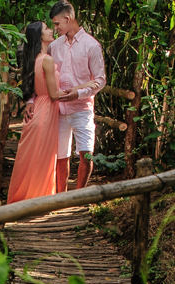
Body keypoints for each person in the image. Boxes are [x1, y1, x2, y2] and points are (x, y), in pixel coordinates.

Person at [48, 1, 105, 192]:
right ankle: (61, 198)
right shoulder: (54, 46)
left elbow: (100, 80)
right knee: (61, 156)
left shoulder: (92, 46)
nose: (55, 29)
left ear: (68, 18)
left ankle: (79, 196)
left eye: (57, 24)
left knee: (86, 154)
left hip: (82, 109)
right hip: (60, 110)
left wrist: (78, 93)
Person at [7, 21, 62, 204]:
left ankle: (26, 199)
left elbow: (34, 88)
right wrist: (81, 89)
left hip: (38, 107)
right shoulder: (47, 60)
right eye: (46, 29)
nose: (51, 30)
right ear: (40, 36)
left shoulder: (34, 60)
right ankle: (41, 200)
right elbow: (54, 94)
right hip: (46, 110)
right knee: (44, 160)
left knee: (32, 158)